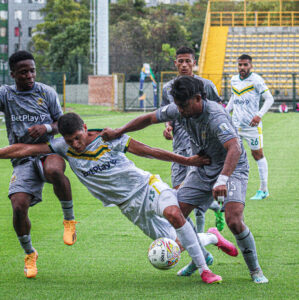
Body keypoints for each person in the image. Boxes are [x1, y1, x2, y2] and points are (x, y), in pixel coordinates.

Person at [0, 112, 239, 284]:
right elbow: (24, 149)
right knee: (173, 246)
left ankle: (205, 271)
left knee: (175, 214)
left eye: (78, 137)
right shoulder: (63, 147)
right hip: (129, 207)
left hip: (147, 186)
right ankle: (211, 237)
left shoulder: (108, 138)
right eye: (70, 140)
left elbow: (151, 151)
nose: (76, 144)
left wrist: (187, 160)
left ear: (84, 127)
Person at [100, 76, 269, 284]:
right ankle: (201, 256)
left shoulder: (216, 116)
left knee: (234, 220)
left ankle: (255, 270)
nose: (179, 110)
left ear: (198, 98)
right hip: (202, 166)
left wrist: (223, 179)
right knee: (176, 213)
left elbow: (235, 148)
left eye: (184, 105)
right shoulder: (179, 108)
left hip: (231, 168)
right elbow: (150, 118)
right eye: (178, 105)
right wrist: (120, 131)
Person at [0, 51, 77, 279]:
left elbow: (61, 123)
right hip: (22, 157)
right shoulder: (6, 94)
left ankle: (69, 219)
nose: (29, 76)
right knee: (18, 206)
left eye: (32, 70)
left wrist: (46, 128)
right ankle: (29, 253)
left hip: (48, 149)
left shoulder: (47, 92)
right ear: (13, 74)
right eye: (23, 72)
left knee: (54, 170)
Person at [161, 46, 225, 235]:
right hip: (179, 148)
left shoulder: (206, 85)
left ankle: (198, 237)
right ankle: (213, 208)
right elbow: (166, 113)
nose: (184, 65)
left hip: (200, 148)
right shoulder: (168, 89)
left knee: (192, 194)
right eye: (180, 61)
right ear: (175, 64)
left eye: (188, 61)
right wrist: (168, 127)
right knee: (177, 194)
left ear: (194, 63)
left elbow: (219, 108)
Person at [226, 54, 274, 201]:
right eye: (240, 65)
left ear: (251, 66)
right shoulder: (234, 79)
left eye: (245, 65)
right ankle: (229, 187)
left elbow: (269, 99)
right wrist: (225, 113)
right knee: (230, 154)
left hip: (252, 127)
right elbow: (234, 98)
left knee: (257, 155)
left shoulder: (256, 80)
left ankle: (264, 189)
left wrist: (259, 115)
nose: (242, 68)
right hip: (236, 125)